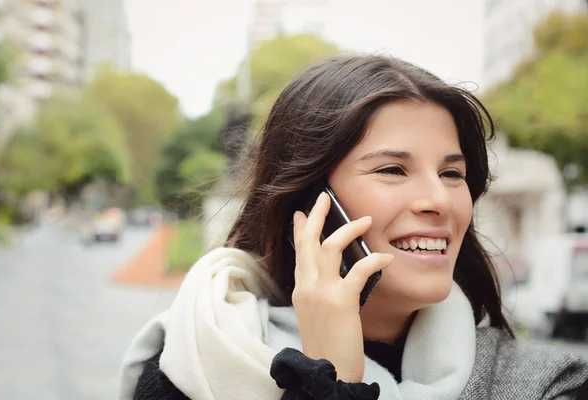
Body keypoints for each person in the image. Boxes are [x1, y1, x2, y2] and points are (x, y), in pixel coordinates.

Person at [118, 54, 588, 400]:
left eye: (452, 174)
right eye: (391, 170)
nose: (439, 201)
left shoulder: (542, 384)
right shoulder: (193, 369)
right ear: (308, 199)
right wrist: (328, 372)